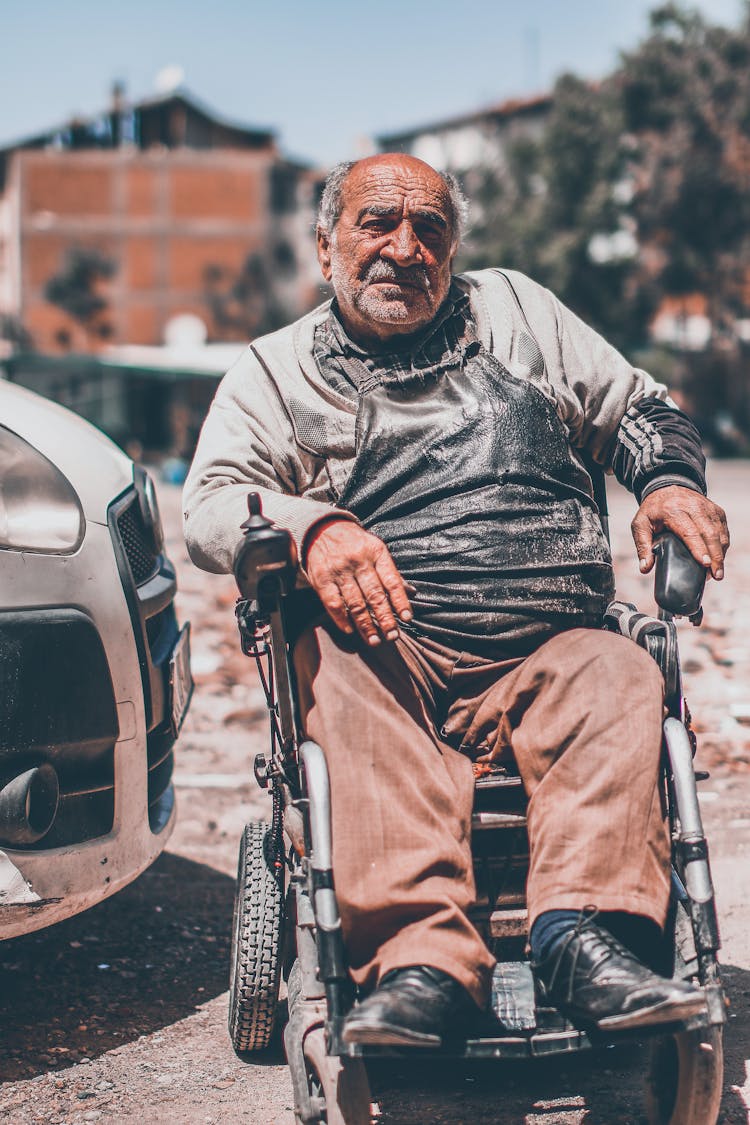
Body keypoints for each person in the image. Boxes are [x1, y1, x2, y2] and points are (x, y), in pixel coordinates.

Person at [183, 154, 729, 1047]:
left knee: (623, 670)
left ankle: (586, 941)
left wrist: (668, 482)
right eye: (377, 224)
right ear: (326, 248)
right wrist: (311, 527)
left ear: (455, 246)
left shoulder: (519, 311)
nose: (406, 246)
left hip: (549, 652)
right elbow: (209, 507)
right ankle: (423, 962)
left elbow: (642, 408)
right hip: (391, 658)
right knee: (331, 660)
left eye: (430, 227)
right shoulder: (276, 373)